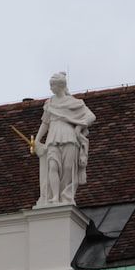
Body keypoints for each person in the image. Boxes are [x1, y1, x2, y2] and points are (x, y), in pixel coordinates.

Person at [33, 72, 96, 207]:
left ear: (60, 86)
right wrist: (37, 140)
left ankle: (65, 196)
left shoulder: (74, 103)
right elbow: (45, 123)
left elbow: (91, 116)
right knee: (53, 166)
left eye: (52, 85)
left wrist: (79, 127)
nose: (50, 88)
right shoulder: (49, 103)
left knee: (68, 168)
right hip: (53, 136)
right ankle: (54, 197)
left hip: (69, 136)